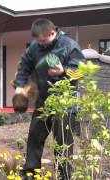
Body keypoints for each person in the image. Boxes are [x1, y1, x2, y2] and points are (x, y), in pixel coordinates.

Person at [12, 18, 85, 180]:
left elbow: (81, 72)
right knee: (34, 137)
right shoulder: (35, 47)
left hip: (65, 103)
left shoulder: (69, 45)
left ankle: (64, 175)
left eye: (44, 40)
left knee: (63, 143)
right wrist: (19, 87)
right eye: (39, 41)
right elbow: (24, 66)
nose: (41, 44)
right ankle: (30, 173)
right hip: (43, 101)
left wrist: (62, 71)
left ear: (53, 33)